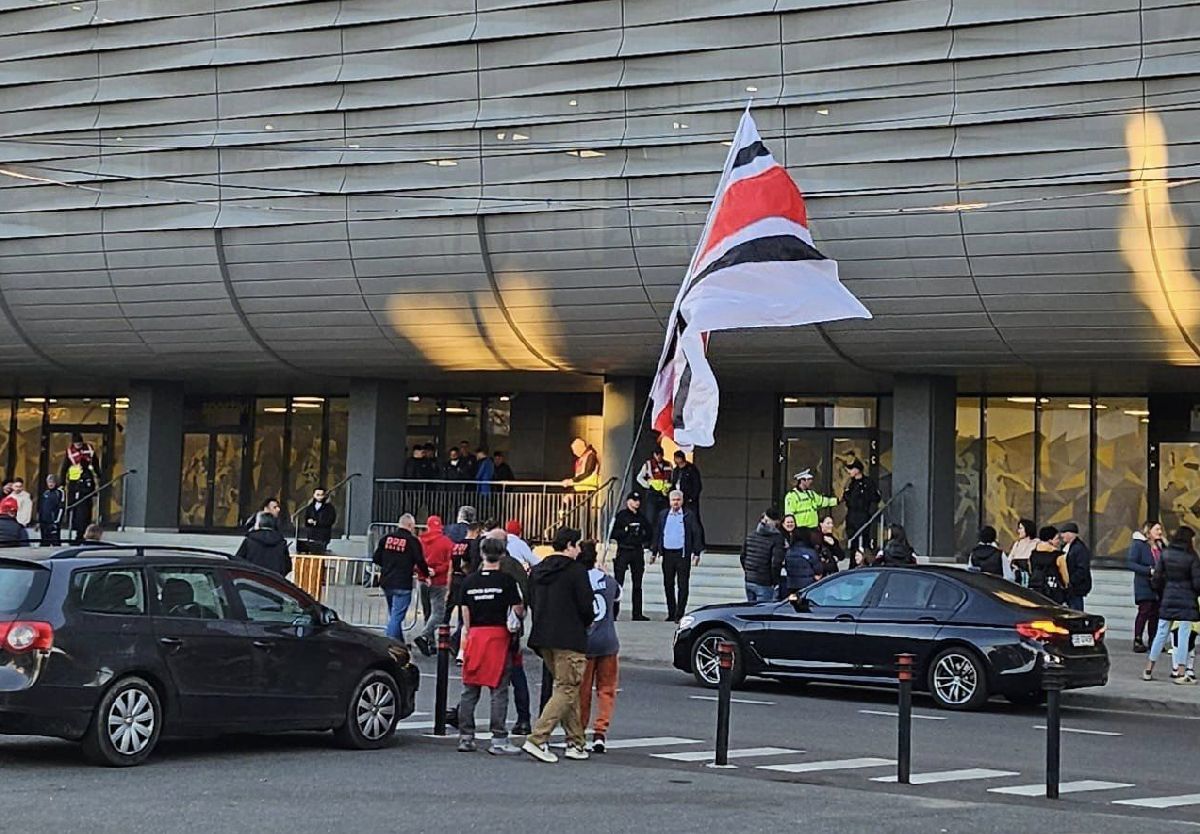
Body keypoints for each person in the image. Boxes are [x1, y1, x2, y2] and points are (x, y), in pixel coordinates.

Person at [523, 527, 594, 764]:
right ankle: (537, 738)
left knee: (567, 688)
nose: (579, 550)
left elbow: (530, 600)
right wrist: (586, 622)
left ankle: (576, 741)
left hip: (543, 636)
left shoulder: (539, 570)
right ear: (571, 546)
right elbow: (586, 607)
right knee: (567, 687)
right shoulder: (576, 571)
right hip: (570, 637)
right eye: (577, 545)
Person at [456, 536, 525, 754]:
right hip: (498, 636)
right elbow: (518, 610)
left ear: (483, 554)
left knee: (470, 689)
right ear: (502, 555)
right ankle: (498, 739)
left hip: (476, 635)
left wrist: (468, 631)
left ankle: (466, 737)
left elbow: (464, 611)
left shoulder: (469, 581)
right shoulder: (506, 581)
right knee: (499, 689)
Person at [1143, 526, 1200, 684]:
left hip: (1168, 598)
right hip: (1187, 600)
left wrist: (1163, 592)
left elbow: (1157, 579)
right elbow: (1197, 583)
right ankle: (1181, 673)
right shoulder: (1192, 557)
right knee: (1183, 636)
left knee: (1160, 634)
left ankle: (1148, 669)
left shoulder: (1165, 554)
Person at [579, 541, 620, 753]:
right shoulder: (609, 581)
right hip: (608, 640)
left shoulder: (577, 581)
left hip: (585, 642)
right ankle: (600, 731)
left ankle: (579, 729)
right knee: (606, 689)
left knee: (582, 690)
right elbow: (618, 596)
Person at [371, 513, 430, 641]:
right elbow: (420, 561)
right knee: (396, 617)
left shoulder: (386, 538)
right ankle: (390, 645)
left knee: (394, 615)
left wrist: (387, 565)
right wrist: (426, 574)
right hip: (403, 582)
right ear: (410, 525)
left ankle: (400, 643)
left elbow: (376, 558)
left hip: (387, 581)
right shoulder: (412, 541)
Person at [650, 489, 704, 623]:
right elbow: (658, 533)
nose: (675, 502)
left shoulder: (688, 515)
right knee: (668, 584)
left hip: (682, 554)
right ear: (669, 501)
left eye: (678, 500)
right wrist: (654, 551)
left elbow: (696, 533)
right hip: (667, 553)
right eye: (673, 500)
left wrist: (697, 552)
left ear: (682, 501)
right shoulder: (663, 515)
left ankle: (680, 613)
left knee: (682, 584)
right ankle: (671, 612)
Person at [414, 515, 454, 657]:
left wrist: (424, 572)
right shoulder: (447, 542)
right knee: (438, 613)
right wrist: (435, 571)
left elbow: (415, 561)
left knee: (427, 612)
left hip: (422, 580)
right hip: (439, 581)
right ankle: (425, 636)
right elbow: (450, 563)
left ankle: (430, 644)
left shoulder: (419, 541)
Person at [609, 491, 652, 619]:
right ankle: (613, 613)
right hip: (624, 550)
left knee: (637, 584)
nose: (636, 503)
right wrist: (626, 530)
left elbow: (649, 532)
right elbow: (613, 533)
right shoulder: (621, 516)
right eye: (634, 500)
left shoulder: (641, 517)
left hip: (637, 550)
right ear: (628, 501)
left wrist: (641, 535)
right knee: (618, 583)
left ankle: (637, 613)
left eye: (638, 500)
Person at [1128, 520, 1165, 653]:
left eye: (1160, 529)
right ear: (1148, 532)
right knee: (1144, 611)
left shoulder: (1161, 546)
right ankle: (1137, 639)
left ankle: (1153, 640)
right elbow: (1131, 563)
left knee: (1155, 613)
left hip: (1158, 584)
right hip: (1145, 583)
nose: (1160, 532)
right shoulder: (1139, 545)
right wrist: (1148, 570)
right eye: (1157, 530)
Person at [740, 508, 786, 603]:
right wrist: (775, 581)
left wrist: (748, 572)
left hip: (749, 580)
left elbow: (743, 557)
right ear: (776, 522)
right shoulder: (777, 538)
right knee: (762, 614)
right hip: (764, 582)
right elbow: (775, 563)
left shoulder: (751, 535)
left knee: (751, 612)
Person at [62, 432, 99, 544]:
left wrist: (99, 476)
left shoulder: (89, 450)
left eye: (79, 443)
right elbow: (64, 467)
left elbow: (96, 464)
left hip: (87, 483)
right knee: (76, 510)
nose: (78, 445)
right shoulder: (69, 452)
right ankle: (77, 532)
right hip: (74, 484)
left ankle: (84, 532)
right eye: (76, 443)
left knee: (85, 510)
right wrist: (62, 482)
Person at [233, 512, 292, 576]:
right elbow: (287, 566)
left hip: (252, 580)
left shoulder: (249, 541)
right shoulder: (281, 542)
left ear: (258, 524)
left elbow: (237, 562)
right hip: (274, 581)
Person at [842, 460, 880, 554]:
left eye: (851, 469)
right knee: (853, 539)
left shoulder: (868, 483)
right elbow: (846, 497)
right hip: (852, 515)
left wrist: (870, 510)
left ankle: (866, 558)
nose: (849, 472)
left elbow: (875, 497)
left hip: (864, 514)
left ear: (857, 470)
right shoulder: (851, 483)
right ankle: (853, 561)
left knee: (865, 540)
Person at [1028, 526, 1070, 605]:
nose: (1058, 541)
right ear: (1050, 540)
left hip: (1036, 590)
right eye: (1057, 538)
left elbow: (1031, 570)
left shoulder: (1033, 554)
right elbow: (1065, 577)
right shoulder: (1058, 556)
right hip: (1053, 592)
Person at [636, 444, 673, 528]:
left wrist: (668, 487)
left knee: (664, 517)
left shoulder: (668, 464)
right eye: (657, 454)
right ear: (654, 455)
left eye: (660, 454)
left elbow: (672, 478)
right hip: (652, 493)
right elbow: (639, 478)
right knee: (651, 517)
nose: (659, 456)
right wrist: (648, 485)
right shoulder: (648, 464)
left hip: (664, 494)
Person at [1059, 521, 1092, 611]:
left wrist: (1071, 581)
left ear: (1071, 534)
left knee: (1076, 610)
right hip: (1067, 588)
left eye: (1064, 533)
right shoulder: (1065, 547)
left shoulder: (1079, 549)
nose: (1062, 536)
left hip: (1075, 588)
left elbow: (1082, 569)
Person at [784, 526, 824, 593]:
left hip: (791, 584)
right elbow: (819, 569)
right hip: (808, 585)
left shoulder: (789, 552)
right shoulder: (810, 552)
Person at [669, 450, 703, 521]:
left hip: (689, 499)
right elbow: (673, 483)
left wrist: (692, 498)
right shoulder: (676, 470)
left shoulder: (691, 469)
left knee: (692, 517)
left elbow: (697, 484)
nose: (675, 460)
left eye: (676, 458)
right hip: (679, 498)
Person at [302, 487, 337, 554]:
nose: (320, 497)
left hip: (323, 535)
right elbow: (306, 518)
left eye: (322, 495)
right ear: (314, 495)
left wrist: (317, 523)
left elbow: (331, 520)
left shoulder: (329, 507)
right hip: (311, 534)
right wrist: (308, 522)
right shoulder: (310, 507)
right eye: (318, 495)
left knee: (321, 553)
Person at [1006, 518, 1037, 585]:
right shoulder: (1017, 544)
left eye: (1020, 528)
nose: (1018, 531)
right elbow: (1009, 560)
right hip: (1017, 578)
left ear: (1028, 529)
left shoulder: (1037, 543)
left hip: (1031, 578)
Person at [37, 474, 65, 547]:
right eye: (49, 482)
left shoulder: (59, 492)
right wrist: (39, 521)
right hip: (44, 522)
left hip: (53, 522)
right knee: (44, 543)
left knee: (55, 542)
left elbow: (61, 508)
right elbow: (41, 508)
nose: (50, 484)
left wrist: (57, 521)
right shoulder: (45, 493)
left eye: (52, 482)